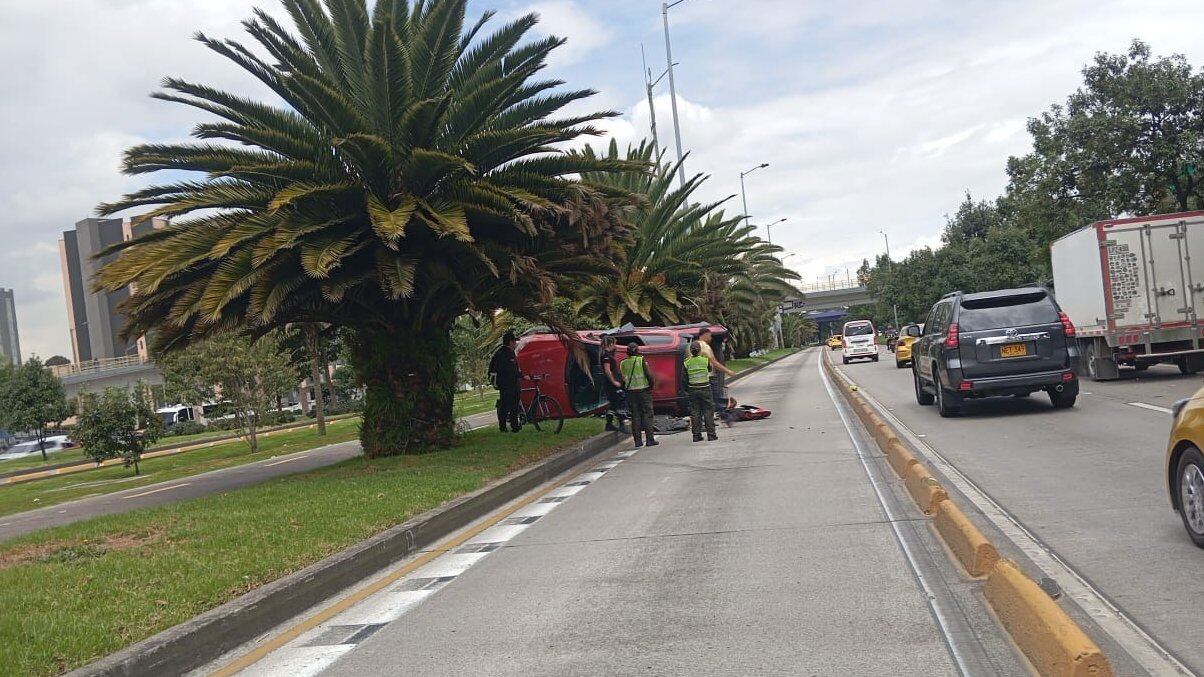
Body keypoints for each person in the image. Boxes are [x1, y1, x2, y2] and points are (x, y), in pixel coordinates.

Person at [618, 343, 658, 448]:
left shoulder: (623, 363)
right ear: (637, 351)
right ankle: (650, 439)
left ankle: (638, 441)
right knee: (647, 414)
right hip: (644, 391)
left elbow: (622, 378)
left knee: (635, 416)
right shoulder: (641, 360)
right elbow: (649, 375)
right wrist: (651, 385)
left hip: (630, 392)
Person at [696, 327, 736, 426]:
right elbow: (714, 362)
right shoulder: (705, 347)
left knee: (702, 402)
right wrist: (728, 371)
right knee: (716, 399)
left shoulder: (693, 346)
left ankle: (703, 422)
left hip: (698, 379)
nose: (710, 338)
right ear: (704, 335)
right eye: (709, 336)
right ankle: (726, 416)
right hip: (709, 377)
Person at [682, 340, 717, 442]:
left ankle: (696, 436)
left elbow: (684, 379)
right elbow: (710, 369)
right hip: (705, 388)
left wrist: (687, 389)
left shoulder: (686, 362)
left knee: (695, 412)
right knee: (708, 411)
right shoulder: (705, 360)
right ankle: (711, 435)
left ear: (691, 351)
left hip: (693, 389)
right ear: (700, 350)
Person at [488, 331, 522, 433]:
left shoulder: (498, 352)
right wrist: (521, 375)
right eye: (514, 341)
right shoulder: (508, 353)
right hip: (510, 384)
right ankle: (514, 426)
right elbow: (512, 370)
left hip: (502, 384)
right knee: (513, 406)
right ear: (510, 342)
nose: (515, 343)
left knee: (504, 405)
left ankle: (502, 426)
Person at [599, 336, 626, 432]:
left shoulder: (608, 354)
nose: (615, 346)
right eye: (614, 343)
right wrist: (614, 381)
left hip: (612, 381)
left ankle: (611, 423)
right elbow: (607, 370)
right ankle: (620, 424)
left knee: (615, 403)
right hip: (610, 383)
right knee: (617, 401)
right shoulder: (606, 356)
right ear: (611, 344)